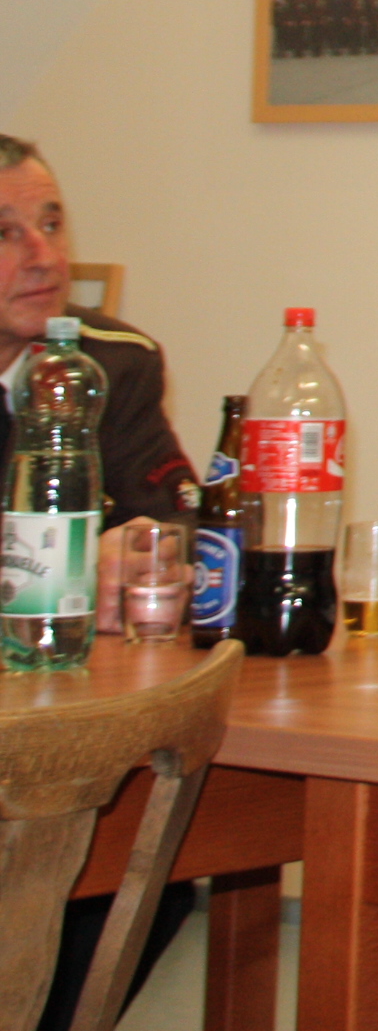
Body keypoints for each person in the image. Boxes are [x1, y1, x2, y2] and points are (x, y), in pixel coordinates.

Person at [1, 134, 204, 1031]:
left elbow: (180, 517)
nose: (44, 256)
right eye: (6, 233)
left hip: (60, 714)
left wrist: (144, 549)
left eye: (52, 223)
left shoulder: (113, 361)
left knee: (161, 860)